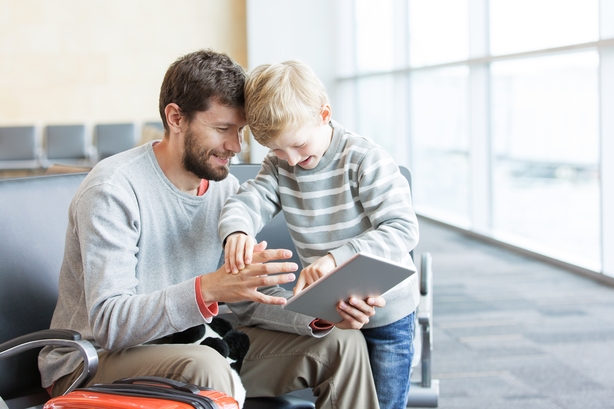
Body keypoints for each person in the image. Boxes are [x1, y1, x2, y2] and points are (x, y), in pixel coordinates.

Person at [38, 49, 381, 409]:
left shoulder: (226, 191)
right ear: (175, 118)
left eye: (240, 131)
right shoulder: (113, 190)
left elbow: (248, 304)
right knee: (207, 366)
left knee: (342, 344)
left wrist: (321, 314)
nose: (235, 146)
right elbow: (111, 323)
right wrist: (210, 288)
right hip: (95, 360)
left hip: (197, 344)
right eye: (221, 129)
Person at [218, 60, 421, 409]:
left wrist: (336, 259)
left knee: (385, 403)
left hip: (388, 316)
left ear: (324, 114)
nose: (292, 160)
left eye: (297, 145)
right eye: (278, 150)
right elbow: (250, 199)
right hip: (335, 308)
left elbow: (402, 229)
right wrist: (236, 229)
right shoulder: (280, 165)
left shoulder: (364, 159)